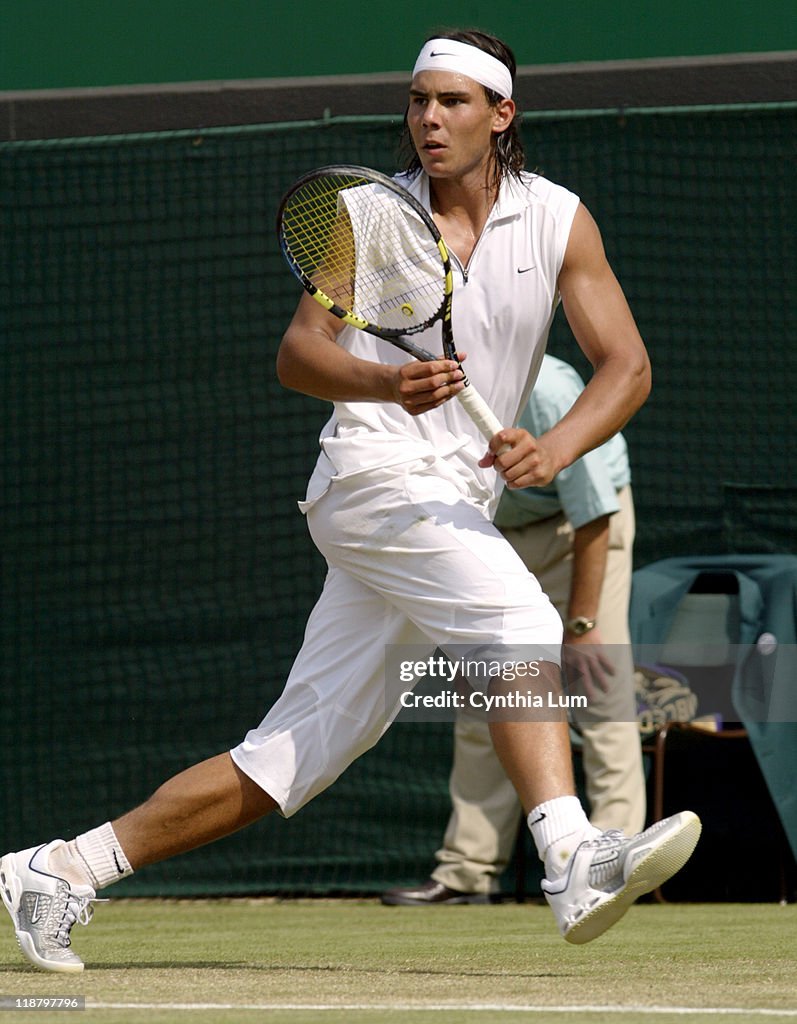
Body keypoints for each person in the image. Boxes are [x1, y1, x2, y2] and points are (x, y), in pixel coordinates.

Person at [0, 28, 700, 974]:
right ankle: (571, 855)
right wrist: (385, 387)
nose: (428, 119)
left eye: (452, 102)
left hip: (453, 501)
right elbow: (299, 356)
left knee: (292, 757)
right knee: (518, 619)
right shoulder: (368, 218)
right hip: (370, 479)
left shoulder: (559, 221)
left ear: (502, 115)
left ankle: (62, 868)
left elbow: (628, 366)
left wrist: (555, 444)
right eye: (418, 100)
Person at [382, 354, 646, 906]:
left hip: (582, 529)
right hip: (498, 532)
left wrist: (582, 626)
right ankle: (467, 871)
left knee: (597, 687)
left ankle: (619, 862)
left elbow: (595, 513)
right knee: (488, 692)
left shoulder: (550, 389)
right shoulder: (421, 389)